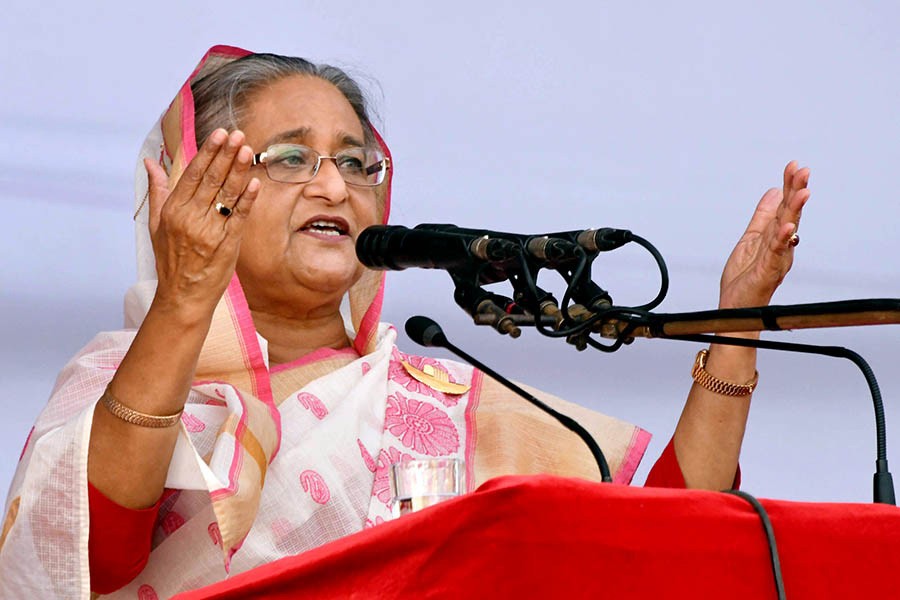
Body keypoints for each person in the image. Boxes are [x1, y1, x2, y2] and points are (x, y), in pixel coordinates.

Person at [0, 45, 809, 598]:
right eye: (290, 157)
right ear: (198, 184)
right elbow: (91, 556)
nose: (334, 186)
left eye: (356, 162)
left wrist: (736, 322)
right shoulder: (115, 378)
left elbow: (664, 546)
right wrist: (184, 298)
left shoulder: (436, 398)